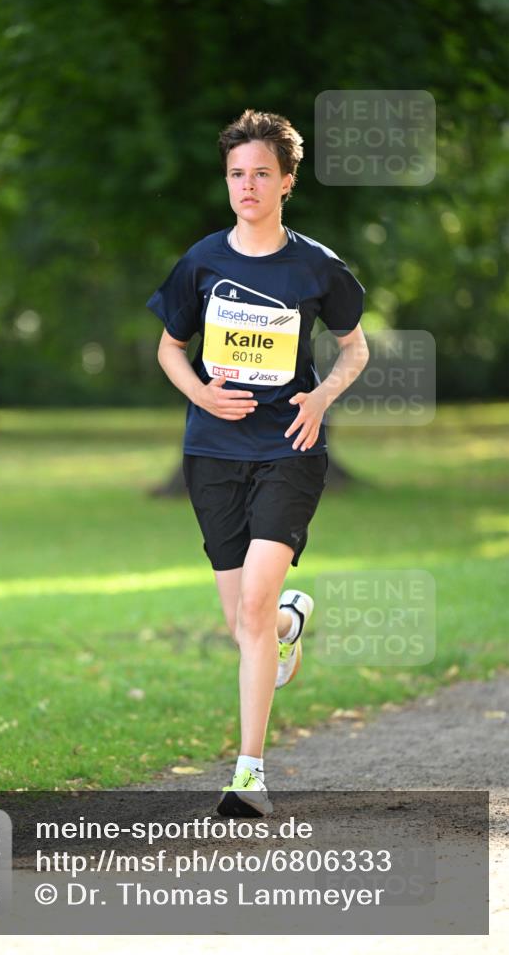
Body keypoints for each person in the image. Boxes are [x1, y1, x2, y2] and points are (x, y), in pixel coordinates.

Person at [146, 109, 369, 817]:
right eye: (236, 174)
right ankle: (286, 626)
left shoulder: (316, 265)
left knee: (251, 605)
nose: (247, 185)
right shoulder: (202, 261)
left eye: (261, 174)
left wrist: (322, 396)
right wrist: (201, 395)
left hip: (289, 449)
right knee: (246, 625)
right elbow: (169, 349)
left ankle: (248, 778)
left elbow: (355, 347)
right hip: (212, 454)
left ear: (287, 181)